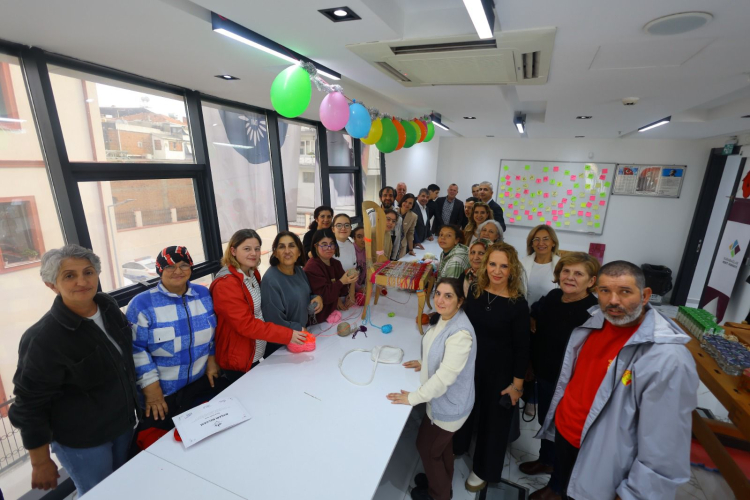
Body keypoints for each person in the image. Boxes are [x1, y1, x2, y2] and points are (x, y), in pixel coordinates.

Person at [537, 261, 698, 500]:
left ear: (645, 295)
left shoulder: (667, 358)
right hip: (566, 432)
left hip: (599, 452)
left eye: (624, 291)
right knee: (565, 486)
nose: (613, 300)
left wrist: (634, 495)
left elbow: (664, 450)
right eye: (605, 291)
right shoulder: (594, 322)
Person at [9, 245, 139, 496]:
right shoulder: (43, 338)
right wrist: (40, 461)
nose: (82, 281)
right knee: (97, 493)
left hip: (122, 424)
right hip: (83, 442)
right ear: (52, 285)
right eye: (69, 276)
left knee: (121, 486)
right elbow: (29, 405)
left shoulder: (107, 306)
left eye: (88, 272)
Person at [387, 278, 477, 500]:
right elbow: (440, 350)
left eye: (448, 296)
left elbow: (445, 377)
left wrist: (413, 398)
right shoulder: (446, 318)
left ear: (460, 301)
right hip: (443, 402)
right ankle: (441, 483)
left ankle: (439, 495)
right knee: (441, 448)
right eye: (438, 294)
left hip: (449, 406)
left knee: (427, 448)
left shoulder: (460, 334)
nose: (440, 300)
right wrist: (425, 362)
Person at [519, 253, 600, 500]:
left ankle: (557, 487)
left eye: (578, 274)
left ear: (591, 281)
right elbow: (536, 312)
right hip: (544, 375)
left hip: (570, 385)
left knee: (563, 435)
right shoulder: (554, 296)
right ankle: (546, 461)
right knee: (546, 420)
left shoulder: (593, 313)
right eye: (566, 271)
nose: (570, 277)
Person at [454, 243, 530, 493]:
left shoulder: (518, 304)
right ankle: (458, 447)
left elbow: (522, 348)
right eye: (493, 264)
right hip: (470, 366)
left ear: (512, 269)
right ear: (486, 265)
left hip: (500, 373)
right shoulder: (476, 291)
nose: (497, 271)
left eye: (504, 266)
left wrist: (517, 386)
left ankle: (483, 470)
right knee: (464, 410)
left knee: (493, 423)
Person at [127, 246, 220, 429]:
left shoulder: (203, 294)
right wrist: (151, 389)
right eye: (169, 266)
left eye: (184, 265)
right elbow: (136, 351)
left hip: (199, 387)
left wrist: (211, 359)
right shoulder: (141, 304)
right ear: (160, 270)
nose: (178, 271)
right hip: (162, 396)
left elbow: (213, 334)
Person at [211, 229, 307, 382]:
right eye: (247, 249)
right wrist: (288, 334)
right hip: (238, 361)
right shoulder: (226, 284)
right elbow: (246, 325)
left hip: (255, 354)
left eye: (257, 249)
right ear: (233, 251)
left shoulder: (252, 273)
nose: (253, 253)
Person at [261, 231, 324, 335]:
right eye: (282, 247)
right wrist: (299, 329)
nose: (287, 251)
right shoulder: (270, 281)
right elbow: (274, 322)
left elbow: (303, 296)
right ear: (275, 253)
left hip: (301, 334)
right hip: (284, 340)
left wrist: (316, 298)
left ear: (299, 252)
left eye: (291, 246)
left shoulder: (298, 270)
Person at [304, 228, 358, 324]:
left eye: (332, 244)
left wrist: (351, 280)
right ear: (316, 246)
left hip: (334, 311)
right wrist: (341, 282)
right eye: (324, 245)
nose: (329, 248)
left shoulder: (335, 263)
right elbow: (324, 296)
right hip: (319, 319)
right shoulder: (312, 267)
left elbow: (343, 290)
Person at [521, 225, 562, 307]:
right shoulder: (521, 263)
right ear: (532, 244)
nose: (540, 243)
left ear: (553, 243)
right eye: (536, 239)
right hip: (524, 312)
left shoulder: (562, 266)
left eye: (546, 239)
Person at [368, 186, 402, 260]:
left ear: (394, 198)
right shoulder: (372, 214)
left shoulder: (398, 217)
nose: (388, 198)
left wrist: (394, 259)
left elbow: (397, 239)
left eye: (391, 196)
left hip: (388, 253)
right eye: (385, 195)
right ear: (380, 198)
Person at [398, 193, 418, 258]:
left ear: (412, 206)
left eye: (410, 203)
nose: (407, 204)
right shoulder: (393, 212)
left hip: (402, 245)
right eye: (405, 201)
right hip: (390, 243)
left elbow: (410, 233)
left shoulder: (413, 216)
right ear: (402, 201)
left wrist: (411, 249)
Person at [352, 226, 367, 291]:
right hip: (351, 289)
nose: (363, 240)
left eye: (365, 236)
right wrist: (359, 288)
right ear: (354, 238)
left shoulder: (367, 251)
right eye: (359, 237)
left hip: (362, 285)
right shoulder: (351, 250)